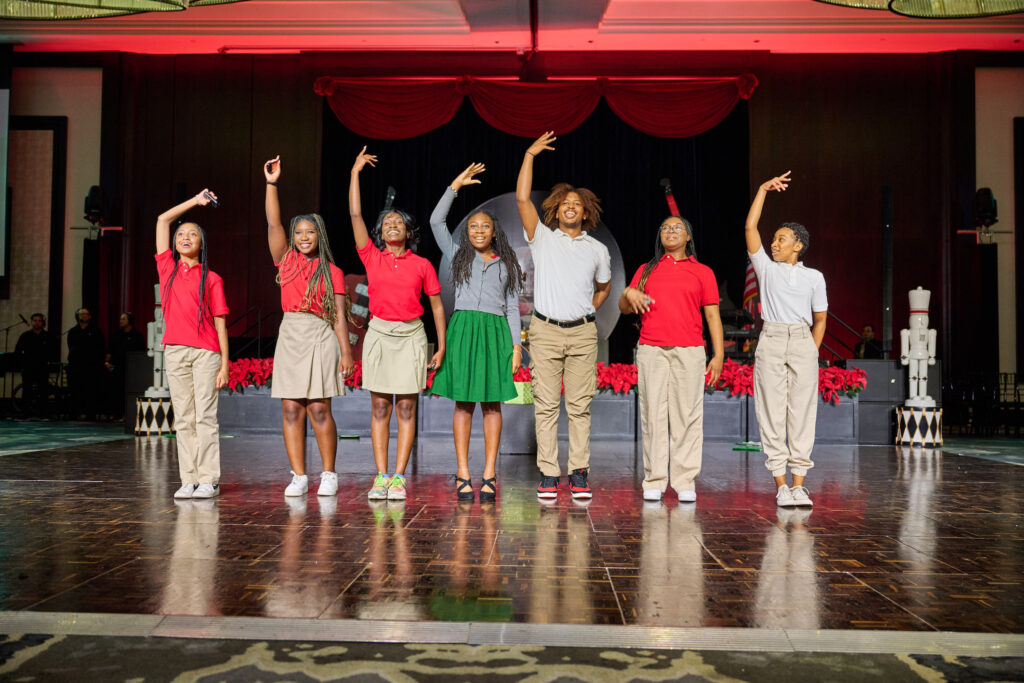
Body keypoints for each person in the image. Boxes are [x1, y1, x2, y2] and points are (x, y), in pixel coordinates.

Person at [516, 132, 612, 500]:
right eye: (565, 204)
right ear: (556, 210)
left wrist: (588, 310)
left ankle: (579, 472)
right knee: (545, 404)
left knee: (579, 406)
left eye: (577, 204)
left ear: (585, 212)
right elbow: (523, 197)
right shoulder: (543, 238)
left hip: (583, 333)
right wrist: (529, 154)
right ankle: (548, 473)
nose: (571, 207)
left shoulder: (598, 249)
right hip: (545, 331)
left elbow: (602, 288)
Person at [349, 146, 446, 501]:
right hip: (379, 333)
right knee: (380, 407)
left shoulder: (421, 264)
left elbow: (436, 307)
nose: (393, 225)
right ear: (380, 232)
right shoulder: (372, 256)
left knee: (406, 406)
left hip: (411, 336)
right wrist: (355, 173)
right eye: (387, 222)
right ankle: (380, 476)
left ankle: (399, 477)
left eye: (399, 222)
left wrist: (442, 346)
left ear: (408, 231)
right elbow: (355, 213)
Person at [428, 163, 524, 502]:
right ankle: (463, 471)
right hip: (465, 330)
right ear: (467, 234)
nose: (479, 230)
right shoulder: (457, 256)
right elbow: (436, 222)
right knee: (463, 404)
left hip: (495, 333)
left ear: (494, 232)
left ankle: (489, 473)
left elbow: (512, 308)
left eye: (485, 226)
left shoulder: (507, 265)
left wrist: (515, 346)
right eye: (473, 226)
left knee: (493, 405)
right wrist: (455, 185)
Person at [264, 156, 355, 498]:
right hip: (291, 333)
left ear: (320, 235)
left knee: (319, 408)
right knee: (291, 408)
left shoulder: (331, 271)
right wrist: (272, 183)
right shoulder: (285, 260)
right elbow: (273, 224)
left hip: (320, 335)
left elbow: (339, 317)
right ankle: (299, 475)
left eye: (310, 232)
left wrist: (346, 353)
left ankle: (328, 473)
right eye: (299, 233)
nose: (304, 237)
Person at [619, 216, 724, 504]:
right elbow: (625, 308)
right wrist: (628, 293)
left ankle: (684, 480)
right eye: (665, 227)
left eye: (678, 227)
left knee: (687, 416)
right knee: (653, 414)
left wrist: (718, 354)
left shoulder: (702, 272)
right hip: (652, 349)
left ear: (688, 237)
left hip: (689, 350)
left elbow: (712, 315)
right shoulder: (646, 269)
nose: (670, 231)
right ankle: (654, 479)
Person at [745, 171, 827, 508]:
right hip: (774, 335)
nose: (774, 243)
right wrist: (763, 190)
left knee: (803, 411)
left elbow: (820, 319)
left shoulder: (814, 277)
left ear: (798, 244)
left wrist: (810, 351)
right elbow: (751, 229)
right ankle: (780, 484)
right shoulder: (766, 268)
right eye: (774, 239)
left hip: (802, 339)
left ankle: (799, 485)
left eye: (781, 239)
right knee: (771, 410)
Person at [155, 190, 230, 500]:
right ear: (174, 242)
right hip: (175, 351)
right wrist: (194, 202)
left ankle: (208, 479)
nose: (185, 237)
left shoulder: (212, 278)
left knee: (205, 417)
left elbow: (221, 322)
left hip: (206, 353)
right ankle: (189, 479)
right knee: (183, 417)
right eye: (181, 234)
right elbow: (162, 220)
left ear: (202, 244)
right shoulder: (167, 270)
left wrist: (225, 363)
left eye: (193, 234)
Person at [66, 307, 106, 420]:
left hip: (91, 366)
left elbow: (100, 347)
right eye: (81, 314)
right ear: (77, 316)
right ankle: (75, 413)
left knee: (90, 390)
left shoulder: (96, 331)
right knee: (75, 390)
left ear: (90, 317)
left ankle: (90, 413)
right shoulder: (73, 331)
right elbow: (70, 346)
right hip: (76, 365)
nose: (83, 316)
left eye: (85, 314)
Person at [106, 312, 146, 418]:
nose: (121, 321)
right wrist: (107, 362)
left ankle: (128, 414)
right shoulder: (116, 335)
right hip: (117, 367)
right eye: (120, 319)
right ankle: (116, 413)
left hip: (131, 369)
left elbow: (141, 353)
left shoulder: (137, 335)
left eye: (123, 319)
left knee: (128, 392)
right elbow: (110, 350)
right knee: (116, 390)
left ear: (130, 321)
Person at [15, 313, 52, 417]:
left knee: (43, 390)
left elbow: (52, 351)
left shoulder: (48, 336)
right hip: (28, 367)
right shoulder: (25, 336)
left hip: (43, 367)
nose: (37, 323)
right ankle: (25, 412)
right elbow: (18, 352)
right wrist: (22, 364)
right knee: (27, 390)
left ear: (43, 322)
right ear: (31, 322)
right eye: (34, 320)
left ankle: (43, 413)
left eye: (39, 320)